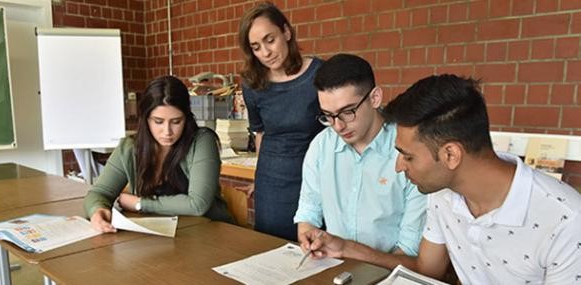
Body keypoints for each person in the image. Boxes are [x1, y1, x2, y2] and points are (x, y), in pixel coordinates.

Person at [302, 74, 581, 284]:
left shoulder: (566, 222)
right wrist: (345, 247)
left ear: (450, 155)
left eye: (407, 156)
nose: (398, 166)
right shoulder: (443, 194)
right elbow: (426, 270)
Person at [294, 53, 427, 257]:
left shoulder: (408, 150)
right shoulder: (321, 146)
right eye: (328, 116)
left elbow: (410, 249)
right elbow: (308, 210)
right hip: (332, 267)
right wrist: (307, 236)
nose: (338, 126)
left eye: (348, 112)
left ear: (374, 98)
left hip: (390, 272)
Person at [84, 75, 232, 232]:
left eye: (176, 122)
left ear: (186, 118)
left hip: (208, 234)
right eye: (158, 122)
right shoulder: (129, 148)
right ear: (146, 119)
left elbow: (197, 205)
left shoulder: (202, 141)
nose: (167, 131)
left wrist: (140, 204)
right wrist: (97, 210)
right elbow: (99, 193)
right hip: (158, 235)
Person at [237, 1, 324, 240]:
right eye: (256, 47)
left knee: (312, 248)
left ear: (286, 32)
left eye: (270, 39)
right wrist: (258, 177)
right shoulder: (252, 83)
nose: (265, 52)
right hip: (271, 180)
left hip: (311, 178)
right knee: (270, 250)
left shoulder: (318, 74)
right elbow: (260, 132)